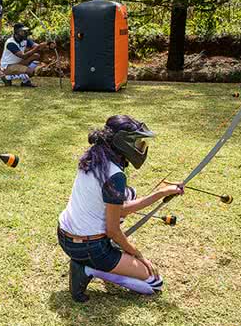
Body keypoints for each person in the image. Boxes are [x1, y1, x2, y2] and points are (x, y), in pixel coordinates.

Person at [57, 115, 184, 302]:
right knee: (153, 283)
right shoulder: (115, 175)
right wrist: (138, 255)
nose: (141, 147)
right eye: (138, 142)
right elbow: (113, 229)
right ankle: (88, 269)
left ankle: (94, 261)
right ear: (123, 142)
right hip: (89, 248)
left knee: (129, 193)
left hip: (64, 235)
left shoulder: (94, 155)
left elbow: (120, 209)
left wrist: (160, 193)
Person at [0, 23, 46, 87]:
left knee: (36, 56)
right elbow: (23, 56)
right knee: (31, 72)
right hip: (8, 66)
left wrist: (48, 45)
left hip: (19, 63)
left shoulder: (25, 40)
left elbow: (37, 46)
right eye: (22, 31)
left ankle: (25, 82)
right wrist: (37, 48)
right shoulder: (10, 43)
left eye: (25, 31)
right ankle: (7, 77)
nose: (25, 33)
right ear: (16, 32)